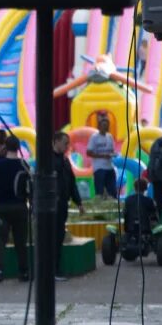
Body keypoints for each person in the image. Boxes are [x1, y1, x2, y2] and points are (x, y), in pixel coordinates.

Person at [0, 134, 31, 282]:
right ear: (18, 148)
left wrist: (0, 154)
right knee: (21, 240)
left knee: (0, 240)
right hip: (19, 206)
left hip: (1, 206)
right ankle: (23, 271)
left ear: (5, 147)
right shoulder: (24, 164)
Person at [52, 131, 84, 281]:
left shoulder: (64, 161)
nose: (67, 146)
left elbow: (71, 183)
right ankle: (53, 270)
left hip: (62, 204)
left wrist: (79, 202)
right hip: (52, 206)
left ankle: (56, 268)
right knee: (52, 238)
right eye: (65, 143)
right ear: (56, 141)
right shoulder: (49, 161)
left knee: (58, 237)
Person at [87, 114, 117, 198]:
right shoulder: (94, 137)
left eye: (107, 125)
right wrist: (103, 155)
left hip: (110, 166)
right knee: (99, 190)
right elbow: (88, 152)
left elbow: (112, 150)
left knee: (113, 190)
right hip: (99, 167)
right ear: (99, 126)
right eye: (104, 125)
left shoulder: (110, 136)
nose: (106, 127)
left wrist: (113, 154)